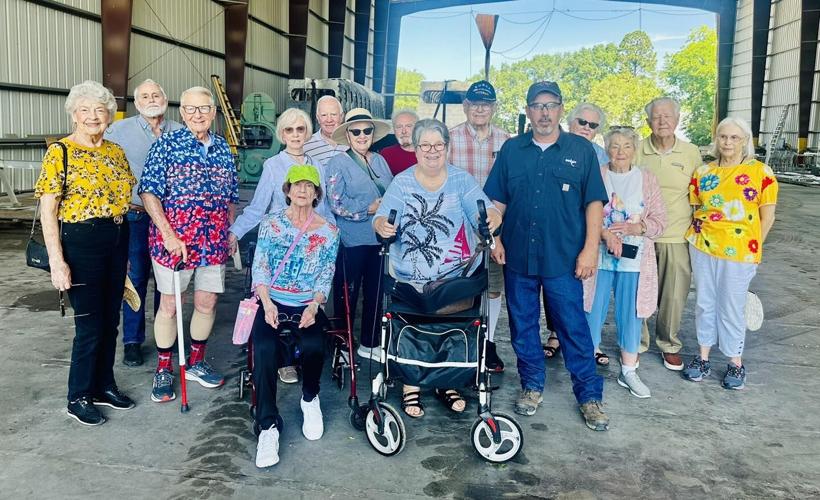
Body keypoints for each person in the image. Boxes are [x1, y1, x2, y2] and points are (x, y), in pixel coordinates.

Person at [484, 81, 610, 431]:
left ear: (560, 110)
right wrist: (495, 237)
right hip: (519, 257)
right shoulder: (512, 150)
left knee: (573, 327)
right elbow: (498, 202)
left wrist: (589, 250)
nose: (543, 112)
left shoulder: (581, 151)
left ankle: (589, 396)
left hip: (564, 259)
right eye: (537, 106)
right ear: (528, 111)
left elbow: (594, 204)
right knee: (523, 327)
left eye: (550, 105)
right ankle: (532, 386)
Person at [373, 118, 502, 418]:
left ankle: (447, 380)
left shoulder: (461, 180)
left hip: (454, 280)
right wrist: (382, 224)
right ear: (416, 149)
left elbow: (484, 210)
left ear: (447, 148)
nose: (432, 151)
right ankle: (410, 383)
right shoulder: (402, 182)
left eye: (439, 145)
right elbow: (381, 217)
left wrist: (493, 216)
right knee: (416, 319)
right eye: (425, 145)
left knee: (449, 321)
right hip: (411, 282)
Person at [35, 80, 137, 425]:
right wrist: (57, 261)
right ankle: (77, 395)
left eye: (100, 110)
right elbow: (49, 209)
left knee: (112, 319)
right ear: (74, 115)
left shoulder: (114, 151)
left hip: (116, 235)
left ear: (110, 115)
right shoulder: (60, 152)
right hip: (81, 241)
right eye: (86, 110)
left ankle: (103, 385)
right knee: (90, 324)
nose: (94, 116)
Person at [139, 86, 239, 403]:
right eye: (191, 109)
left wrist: (229, 230)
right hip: (175, 243)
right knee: (170, 306)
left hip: (212, 242)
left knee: (207, 303)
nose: (198, 115)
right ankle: (165, 368)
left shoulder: (223, 148)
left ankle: (196, 362)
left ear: (213, 112)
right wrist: (168, 234)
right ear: (182, 113)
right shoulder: (166, 145)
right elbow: (148, 192)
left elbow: (231, 197)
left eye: (204, 109)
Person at [230, 107, 334, 384]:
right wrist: (235, 233)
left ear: (307, 132)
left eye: (301, 129)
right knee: (277, 302)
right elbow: (256, 208)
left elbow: (325, 210)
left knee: (312, 299)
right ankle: (284, 359)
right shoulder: (273, 166)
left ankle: (306, 350)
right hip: (280, 247)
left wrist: (335, 239)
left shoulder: (318, 167)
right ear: (282, 134)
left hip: (311, 247)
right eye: (289, 130)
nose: (296, 135)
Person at [251, 165, 339, 468]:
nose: (302, 190)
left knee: (315, 346)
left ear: (317, 193)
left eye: (309, 186)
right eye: (297, 185)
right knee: (263, 349)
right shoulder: (270, 224)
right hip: (272, 300)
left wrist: (314, 306)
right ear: (287, 189)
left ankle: (310, 397)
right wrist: (267, 302)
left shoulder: (329, 231)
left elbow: (325, 275)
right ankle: (267, 425)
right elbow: (260, 266)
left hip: (306, 304)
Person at [682, 117, 778, 389]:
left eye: (734, 138)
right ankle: (702, 358)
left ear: (744, 141)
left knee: (732, 306)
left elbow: (767, 217)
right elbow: (696, 207)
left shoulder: (762, 173)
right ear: (717, 140)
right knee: (705, 302)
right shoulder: (703, 172)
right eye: (723, 137)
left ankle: (735, 362)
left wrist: (755, 248)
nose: (728, 142)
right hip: (703, 244)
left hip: (740, 251)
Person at [582, 128, 667, 398]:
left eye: (626, 146)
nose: (620, 151)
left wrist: (635, 228)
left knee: (631, 312)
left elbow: (660, 222)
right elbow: (581, 211)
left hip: (635, 260)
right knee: (590, 309)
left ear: (634, 149)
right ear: (606, 148)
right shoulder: (597, 174)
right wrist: (605, 234)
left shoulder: (647, 179)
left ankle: (629, 370)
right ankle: (585, 367)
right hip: (599, 255)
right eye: (615, 146)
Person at [105, 79, 183, 367]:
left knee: (168, 280)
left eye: (156, 94)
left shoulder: (180, 131)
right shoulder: (118, 131)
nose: (152, 99)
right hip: (135, 216)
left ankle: (166, 337)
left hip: (171, 219)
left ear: (166, 98)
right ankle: (133, 342)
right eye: (145, 96)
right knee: (135, 278)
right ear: (137, 103)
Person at [635, 97, 703, 371]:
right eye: (656, 116)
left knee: (674, 295)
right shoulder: (637, 150)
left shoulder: (691, 152)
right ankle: (636, 343)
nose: (662, 121)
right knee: (638, 292)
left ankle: (669, 344)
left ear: (677, 120)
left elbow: (700, 193)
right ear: (648, 121)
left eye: (668, 116)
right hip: (641, 235)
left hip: (676, 234)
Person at [447, 80, 511, 372]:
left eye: (486, 104)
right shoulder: (450, 138)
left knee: (493, 288)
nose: (480, 109)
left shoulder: (507, 141)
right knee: (459, 286)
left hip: (495, 227)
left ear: (494, 108)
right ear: (466, 107)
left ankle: (488, 342)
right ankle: (461, 340)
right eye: (474, 104)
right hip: (458, 227)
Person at [326, 108, 393, 360]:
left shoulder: (380, 160)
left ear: (373, 134)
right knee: (347, 294)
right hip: (350, 240)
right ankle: (342, 344)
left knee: (375, 292)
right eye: (356, 131)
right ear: (348, 135)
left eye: (367, 130)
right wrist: (368, 209)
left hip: (379, 239)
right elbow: (336, 204)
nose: (362, 135)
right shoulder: (337, 163)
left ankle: (370, 342)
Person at [302, 95, 347, 166]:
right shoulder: (306, 146)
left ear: (341, 117)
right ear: (318, 118)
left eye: (333, 114)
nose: (329, 120)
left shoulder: (352, 143)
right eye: (324, 115)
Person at [567, 102, 609, 167]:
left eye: (593, 125)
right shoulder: (553, 145)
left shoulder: (600, 155)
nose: (587, 128)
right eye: (582, 122)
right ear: (571, 122)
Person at [381, 109, 419, 176]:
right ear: (394, 130)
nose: (404, 131)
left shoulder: (429, 153)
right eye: (399, 127)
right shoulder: (386, 154)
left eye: (408, 126)